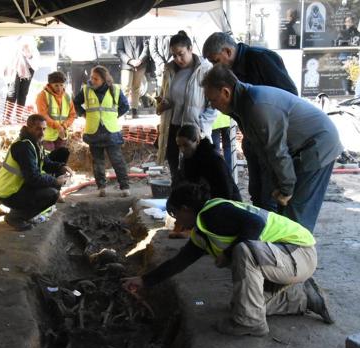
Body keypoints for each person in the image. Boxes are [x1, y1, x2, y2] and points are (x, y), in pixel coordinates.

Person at [122, 183, 334, 337]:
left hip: (298, 252)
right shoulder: (202, 231)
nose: (176, 221)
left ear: (186, 209)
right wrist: (144, 280)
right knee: (242, 305)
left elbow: (255, 225)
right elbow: (179, 262)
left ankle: (251, 324)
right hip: (284, 258)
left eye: (176, 214)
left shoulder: (213, 212)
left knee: (242, 251)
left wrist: (228, 253)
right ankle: (305, 298)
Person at [201, 64, 343, 232]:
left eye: (213, 100)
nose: (212, 106)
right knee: (283, 216)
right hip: (299, 148)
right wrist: (278, 184)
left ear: (226, 92)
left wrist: (286, 188)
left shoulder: (256, 106)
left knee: (296, 219)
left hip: (319, 146)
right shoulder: (241, 106)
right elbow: (264, 152)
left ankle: (298, 255)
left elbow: (277, 151)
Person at [202, 32, 298, 213]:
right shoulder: (231, 71)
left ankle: (271, 235)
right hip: (252, 135)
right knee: (256, 191)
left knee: (270, 194)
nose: (215, 66)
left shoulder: (261, 59)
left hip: (272, 137)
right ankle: (260, 232)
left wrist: (266, 120)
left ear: (228, 52)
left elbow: (289, 95)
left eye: (215, 61)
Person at [0, 114, 72, 231]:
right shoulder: (24, 146)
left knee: (62, 153)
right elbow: (33, 178)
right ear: (28, 128)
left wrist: (62, 167)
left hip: (14, 188)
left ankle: (20, 212)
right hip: (9, 192)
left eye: (44, 129)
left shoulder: (33, 142)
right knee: (52, 194)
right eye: (38, 129)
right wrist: (55, 181)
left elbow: (46, 163)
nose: (42, 133)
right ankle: (15, 217)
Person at [156, 30, 216, 180]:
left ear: (190, 49)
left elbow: (213, 105)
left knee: (194, 170)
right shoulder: (169, 70)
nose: (177, 59)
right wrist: (164, 103)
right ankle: (177, 194)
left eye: (181, 53)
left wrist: (200, 127)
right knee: (174, 168)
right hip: (173, 127)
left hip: (193, 130)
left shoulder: (206, 69)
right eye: (174, 55)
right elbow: (169, 97)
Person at [170, 125, 241, 239]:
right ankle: (188, 226)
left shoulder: (214, 160)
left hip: (224, 203)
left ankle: (195, 228)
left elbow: (226, 192)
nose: (182, 150)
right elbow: (182, 185)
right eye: (179, 146)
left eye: (186, 145)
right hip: (205, 201)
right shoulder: (187, 160)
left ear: (197, 141)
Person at [73, 65, 131, 197]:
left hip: (111, 132)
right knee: (97, 162)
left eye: (96, 79)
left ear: (104, 80)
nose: (92, 80)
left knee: (117, 161)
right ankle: (101, 187)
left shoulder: (115, 90)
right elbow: (76, 103)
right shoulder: (86, 90)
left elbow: (125, 106)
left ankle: (125, 186)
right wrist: (82, 114)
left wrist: (113, 116)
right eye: (92, 78)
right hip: (94, 132)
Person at [35, 70, 76, 159]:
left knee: (60, 161)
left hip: (61, 135)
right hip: (47, 136)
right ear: (50, 84)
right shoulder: (42, 95)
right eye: (56, 85)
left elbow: (72, 115)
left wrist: (64, 126)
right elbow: (43, 115)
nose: (59, 88)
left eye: (61, 85)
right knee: (48, 161)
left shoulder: (67, 97)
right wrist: (58, 126)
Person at [4, 36, 40, 123]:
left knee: (23, 93)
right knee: (12, 93)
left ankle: (19, 116)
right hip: (13, 67)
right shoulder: (9, 37)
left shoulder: (29, 37)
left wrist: (29, 53)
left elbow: (33, 54)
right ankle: (7, 118)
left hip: (29, 67)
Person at [116, 36, 150, 119]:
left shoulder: (141, 33)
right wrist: (130, 61)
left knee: (136, 87)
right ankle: (123, 109)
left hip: (140, 65)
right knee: (125, 87)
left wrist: (140, 60)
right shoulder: (122, 35)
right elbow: (120, 50)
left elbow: (146, 47)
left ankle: (134, 109)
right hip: (126, 65)